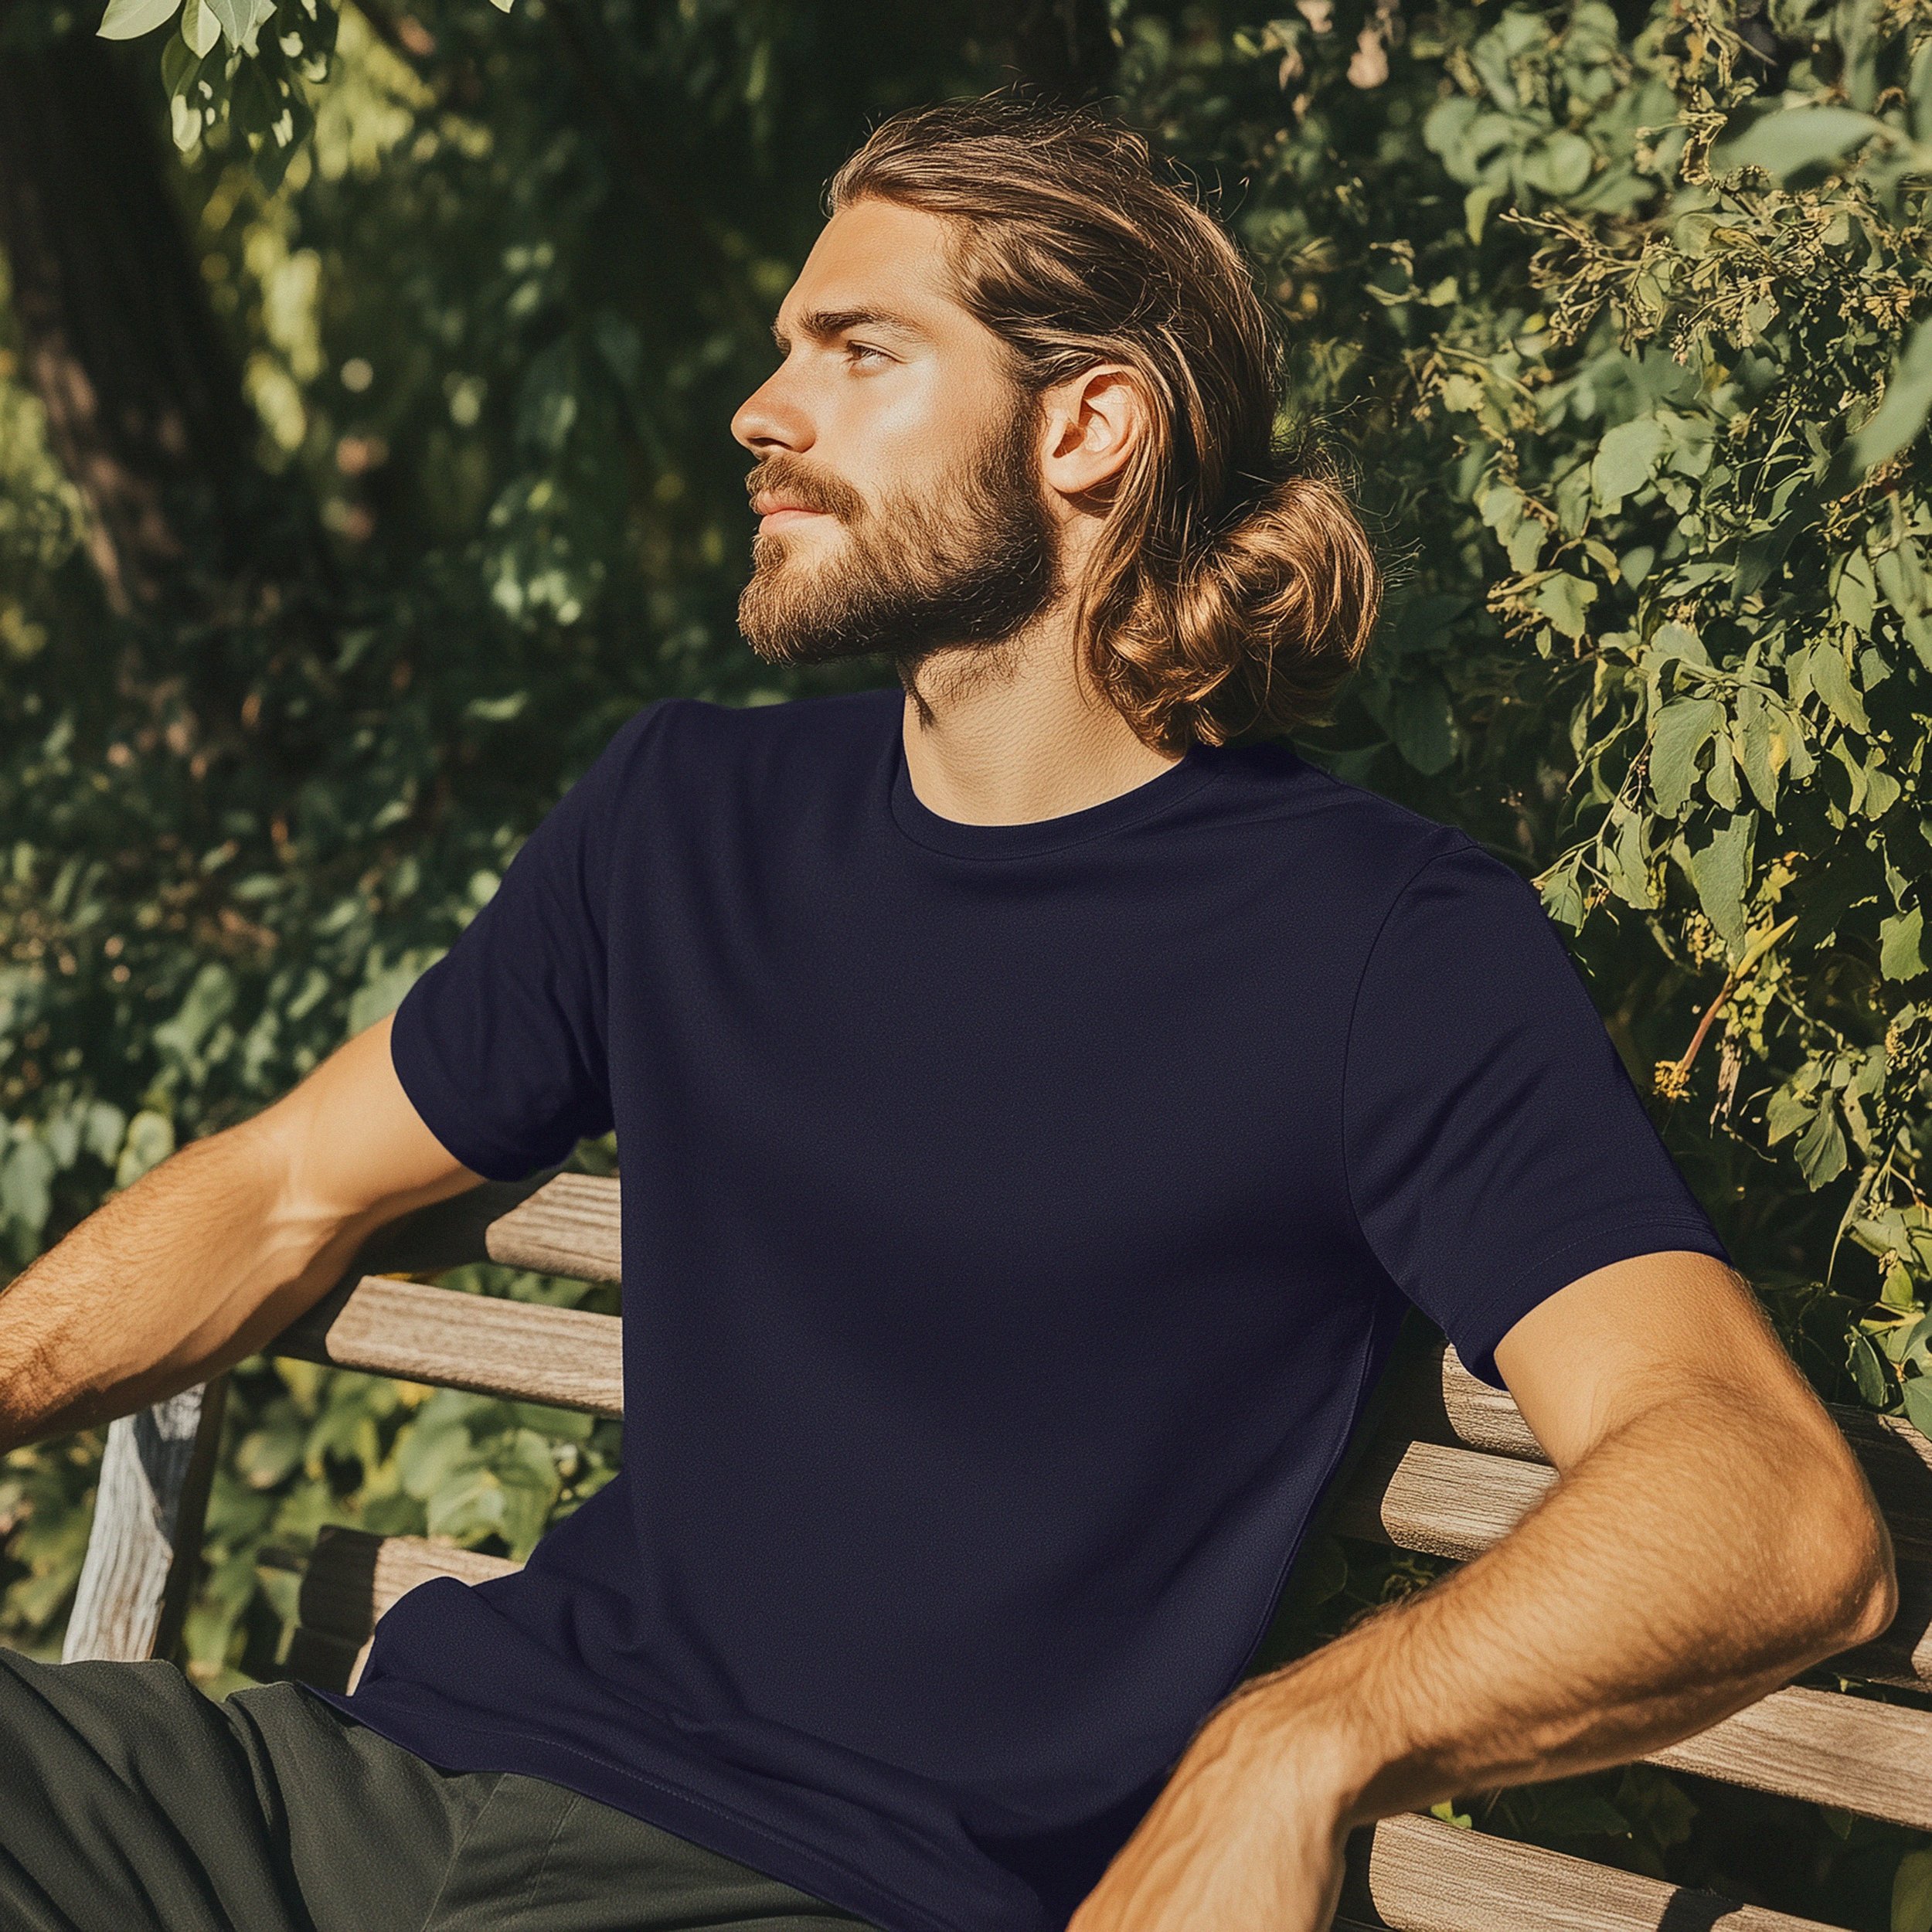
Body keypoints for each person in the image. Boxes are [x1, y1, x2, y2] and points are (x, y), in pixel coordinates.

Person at [0, 93, 1897, 1932]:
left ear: (1085, 427)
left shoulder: (1375, 941)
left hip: (808, 1882)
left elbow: (1761, 1496)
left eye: (858, 350)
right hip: (364, 1792)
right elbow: (280, 1192)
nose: (762, 409)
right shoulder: (682, 818)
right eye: (780, 349)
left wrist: (1296, 1744)